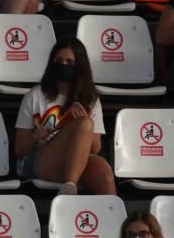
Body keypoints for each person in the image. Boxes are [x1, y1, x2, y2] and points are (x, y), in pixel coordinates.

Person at [13, 39, 115, 197]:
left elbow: (95, 148)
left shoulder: (90, 99)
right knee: (84, 124)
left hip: (77, 160)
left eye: (69, 62)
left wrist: (86, 124)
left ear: (79, 66)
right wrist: (35, 137)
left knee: (105, 176)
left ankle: (113, 217)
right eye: (59, 61)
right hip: (39, 160)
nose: (63, 65)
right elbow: (19, 150)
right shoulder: (34, 96)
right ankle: (70, 190)